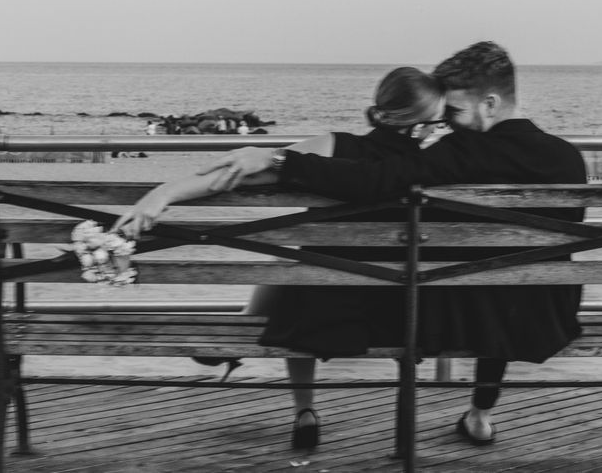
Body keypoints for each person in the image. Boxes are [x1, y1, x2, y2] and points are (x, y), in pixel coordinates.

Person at [196, 42, 587, 446]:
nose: (448, 124)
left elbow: (372, 180)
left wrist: (280, 160)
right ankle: (480, 413)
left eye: (453, 112)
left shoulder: (459, 153)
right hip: (543, 318)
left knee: (320, 265)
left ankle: (290, 384)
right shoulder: (568, 160)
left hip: (452, 318)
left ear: (489, 103)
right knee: (510, 277)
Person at [113, 67, 447, 449]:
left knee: (296, 271)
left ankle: (304, 408)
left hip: (319, 314)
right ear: (423, 125)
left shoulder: (332, 148)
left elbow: (239, 175)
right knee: (312, 273)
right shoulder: (438, 165)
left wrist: (165, 192)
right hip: (405, 314)